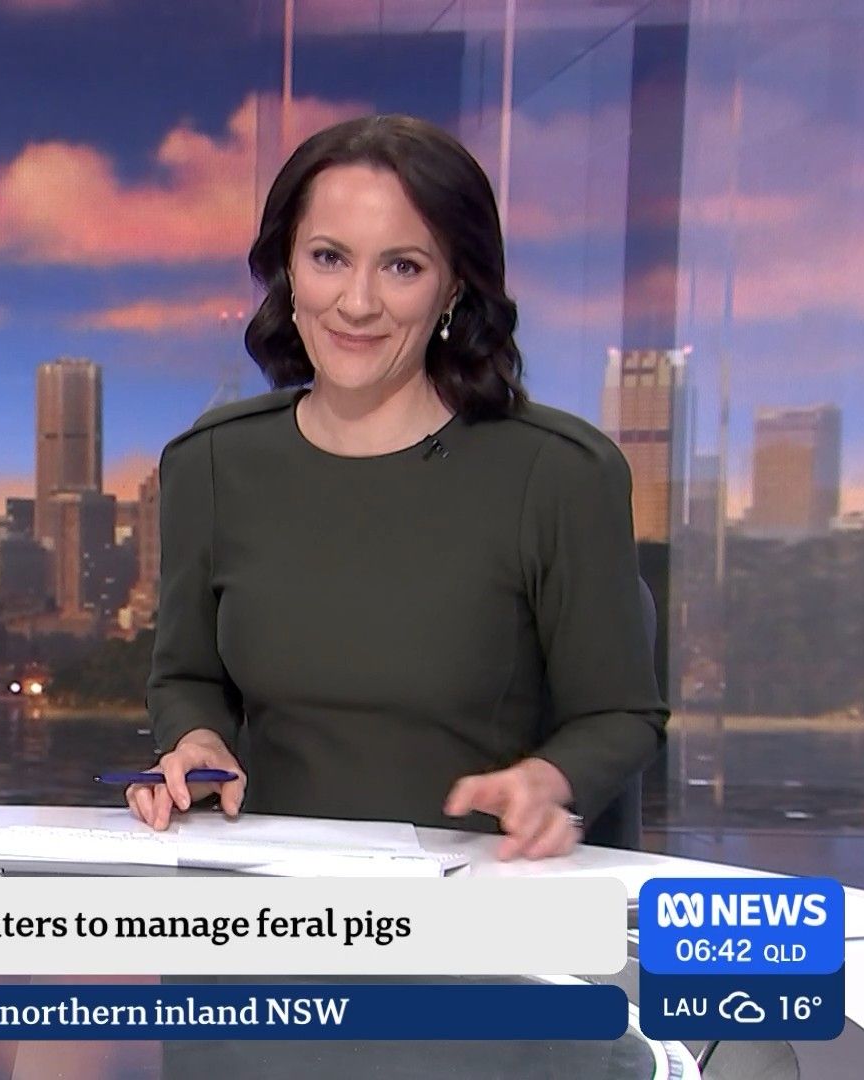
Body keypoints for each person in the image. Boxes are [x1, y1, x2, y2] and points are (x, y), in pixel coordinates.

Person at [130, 114, 667, 860]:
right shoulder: (211, 463)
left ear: (454, 288)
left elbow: (619, 715)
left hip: (480, 896)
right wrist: (196, 742)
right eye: (329, 258)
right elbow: (187, 677)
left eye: (402, 267)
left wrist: (549, 780)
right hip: (272, 896)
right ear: (289, 269)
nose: (357, 303)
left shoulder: (560, 472)